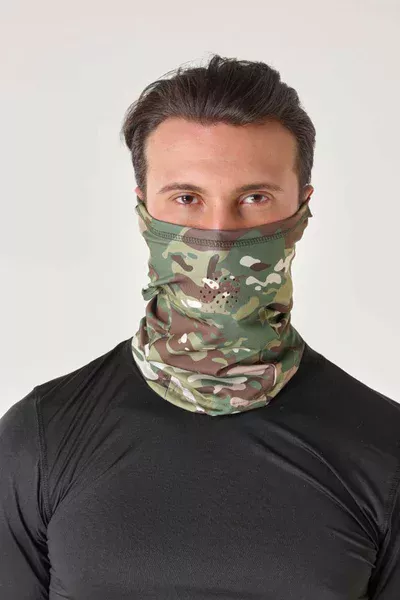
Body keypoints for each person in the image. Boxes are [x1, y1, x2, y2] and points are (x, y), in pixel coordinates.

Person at [1, 54, 399, 600]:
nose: (218, 232)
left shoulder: (384, 449)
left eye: (254, 198)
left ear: (303, 207)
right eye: (186, 198)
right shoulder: (41, 439)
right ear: (143, 209)